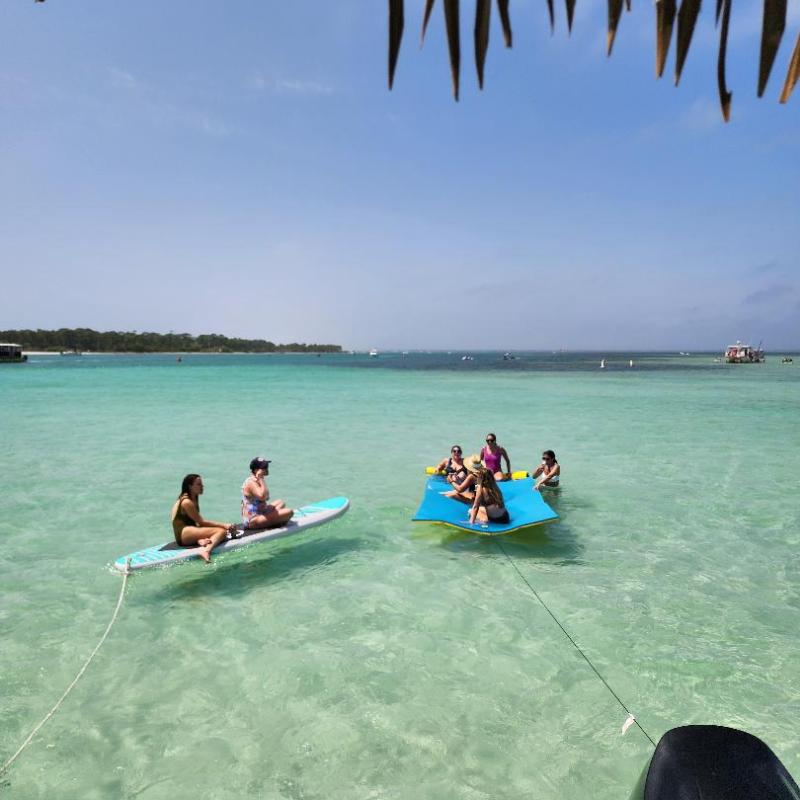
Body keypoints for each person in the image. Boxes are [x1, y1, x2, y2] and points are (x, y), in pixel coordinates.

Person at [170, 474, 236, 563]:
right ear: (190, 486)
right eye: (199, 484)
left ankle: (199, 540)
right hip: (183, 534)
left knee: (217, 532)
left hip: (189, 530)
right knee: (221, 532)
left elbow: (195, 521)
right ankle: (206, 551)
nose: (202, 487)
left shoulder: (193, 497)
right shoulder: (186, 502)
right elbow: (201, 522)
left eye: (202, 484)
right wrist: (225, 525)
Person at [241, 456, 294, 529]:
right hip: (253, 520)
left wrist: (260, 478)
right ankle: (276, 522)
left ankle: (273, 520)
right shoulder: (251, 483)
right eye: (264, 468)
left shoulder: (257, 480)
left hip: (261, 512)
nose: (267, 469)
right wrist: (260, 478)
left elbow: (266, 497)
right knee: (289, 512)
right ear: (256, 470)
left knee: (281, 502)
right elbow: (262, 497)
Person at [465, 455, 509, 524]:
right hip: (505, 517)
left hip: (496, 519)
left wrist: (471, 522)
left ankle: (483, 520)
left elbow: (475, 506)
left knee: (470, 511)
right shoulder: (495, 487)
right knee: (482, 508)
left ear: (481, 478)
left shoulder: (480, 488)